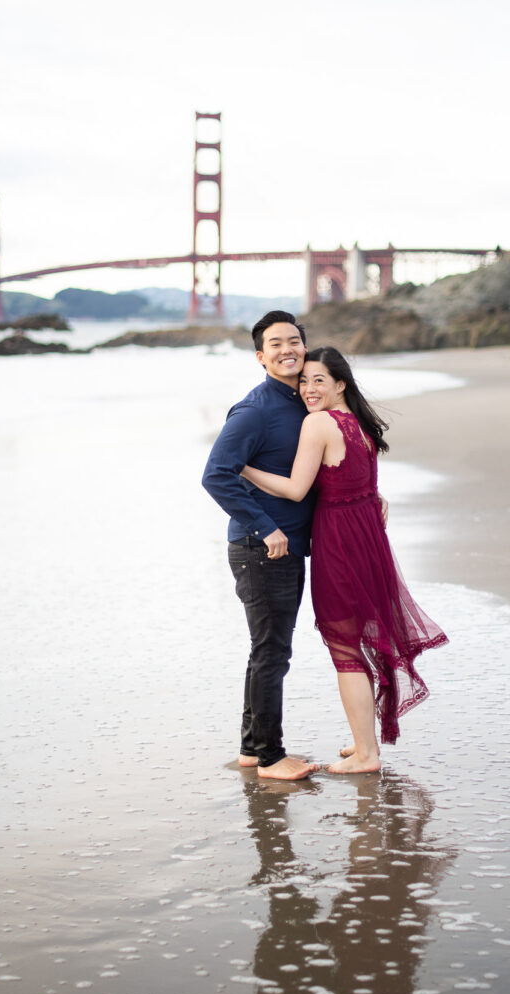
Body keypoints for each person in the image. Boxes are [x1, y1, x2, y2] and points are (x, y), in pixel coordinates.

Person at [241, 347, 448, 774]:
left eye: (320, 380)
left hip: (340, 542)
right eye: (305, 381)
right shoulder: (359, 424)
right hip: (367, 538)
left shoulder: (318, 423)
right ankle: (362, 744)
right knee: (354, 643)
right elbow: (356, 481)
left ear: (340, 384)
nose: (309, 389)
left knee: (345, 650)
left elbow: (297, 489)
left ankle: (367, 754)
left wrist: (244, 468)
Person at [202, 311, 319, 781]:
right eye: (276, 343)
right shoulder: (255, 410)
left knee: (267, 650)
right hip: (262, 548)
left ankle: (253, 749)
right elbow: (215, 474)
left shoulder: (304, 404)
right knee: (272, 652)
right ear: (260, 356)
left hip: (283, 547)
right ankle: (271, 757)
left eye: (294, 340)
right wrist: (266, 527)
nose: (287, 349)